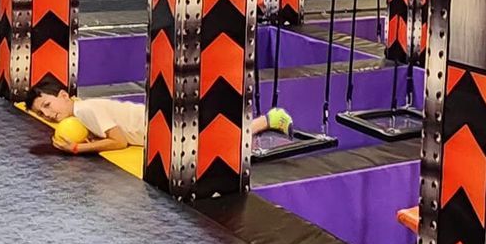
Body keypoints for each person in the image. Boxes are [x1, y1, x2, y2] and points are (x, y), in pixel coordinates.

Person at [25, 83, 290, 155]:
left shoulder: (84, 111)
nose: (49, 114)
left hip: (160, 128)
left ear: (63, 95)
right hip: (158, 124)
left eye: (48, 105)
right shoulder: (82, 111)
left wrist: (76, 148)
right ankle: (265, 120)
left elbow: (118, 142)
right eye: (42, 113)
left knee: (217, 143)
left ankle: (268, 119)